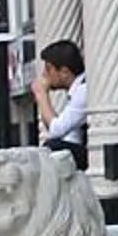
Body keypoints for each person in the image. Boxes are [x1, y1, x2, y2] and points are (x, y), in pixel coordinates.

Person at [32, 39, 89, 167]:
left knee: (52, 148)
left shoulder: (83, 90)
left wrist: (42, 96)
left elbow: (57, 130)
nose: (44, 75)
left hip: (92, 155)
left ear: (64, 72)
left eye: (48, 69)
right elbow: (63, 133)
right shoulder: (76, 92)